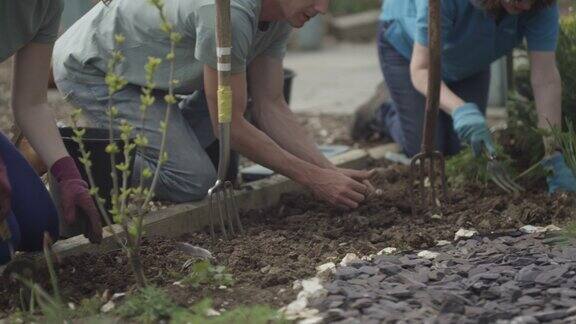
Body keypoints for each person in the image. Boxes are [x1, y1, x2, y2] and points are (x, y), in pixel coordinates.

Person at [53, 0, 375, 209]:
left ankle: (132, 148)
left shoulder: (280, 17)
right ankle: (66, 153)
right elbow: (229, 127)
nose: (322, 8)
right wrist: (312, 179)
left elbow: (269, 103)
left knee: (238, 100)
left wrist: (330, 171)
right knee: (194, 180)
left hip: (146, 73)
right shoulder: (228, 13)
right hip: (93, 66)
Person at [353, 0, 575, 193]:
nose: (526, 6)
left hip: (470, 61)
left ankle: (426, 102)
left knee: (463, 148)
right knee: (429, 146)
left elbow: (545, 77)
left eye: (532, 1)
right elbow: (421, 69)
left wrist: (552, 152)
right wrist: (460, 109)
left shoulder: (540, 5)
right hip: (407, 50)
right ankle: (383, 109)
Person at [0, 0, 102, 265]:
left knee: (41, 229)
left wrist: (69, 176)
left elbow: (30, 102)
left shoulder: (46, 5)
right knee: (3, 244)